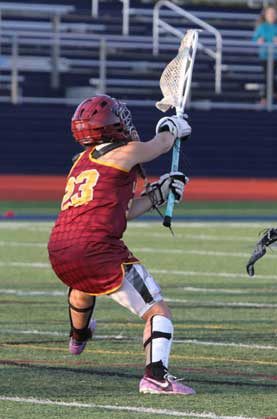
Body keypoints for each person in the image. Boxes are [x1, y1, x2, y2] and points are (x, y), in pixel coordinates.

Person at [47, 94, 195, 395]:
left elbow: (122, 211)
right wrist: (171, 126)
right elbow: (161, 145)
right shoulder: (126, 151)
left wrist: (158, 195)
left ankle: (79, 335)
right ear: (111, 125)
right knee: (157, 311)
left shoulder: (81, 162)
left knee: (83, 283)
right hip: (96, 248)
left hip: (59, 247)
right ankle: (155, 377)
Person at [252, 5, 277, 105]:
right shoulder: (261, 27)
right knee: (268, 77)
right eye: (269, 13)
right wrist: (259, 40)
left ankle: (264, 98)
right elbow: (254, 39)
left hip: (275, 56)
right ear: (265, 15)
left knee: (270, 77)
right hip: (264, 56)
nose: (272, 15)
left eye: (274, 13)